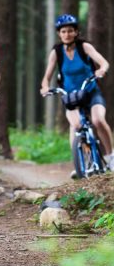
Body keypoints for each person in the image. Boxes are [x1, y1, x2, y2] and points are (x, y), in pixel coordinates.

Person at [40, 14, 114, 174]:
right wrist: (45, 87)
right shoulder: (57, 52)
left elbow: (104, 62)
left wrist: (101, 70)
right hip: (71, 96)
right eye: (63, 31)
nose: (67, 34)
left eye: (70, 31)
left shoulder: (84, 47)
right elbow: (46, 77)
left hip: (90, 92)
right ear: (59, 33)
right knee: (76, 126)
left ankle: (110, 156)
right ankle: (81, 162)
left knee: (98, 120)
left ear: (76, 32)